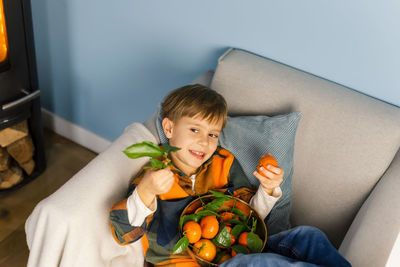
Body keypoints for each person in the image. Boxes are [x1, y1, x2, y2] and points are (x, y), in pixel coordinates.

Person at [109, 84, 351, 267]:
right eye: (194, 130)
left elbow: (247, 218)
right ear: (169, 129)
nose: (204, 141)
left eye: (213, 134)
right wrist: (147, 191)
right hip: (188, 262)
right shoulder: (155, 174)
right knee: (258, 263)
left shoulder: (223, 162)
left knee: (308, 236)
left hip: (235, 250)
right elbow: (124, 234)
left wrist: (267, 191)